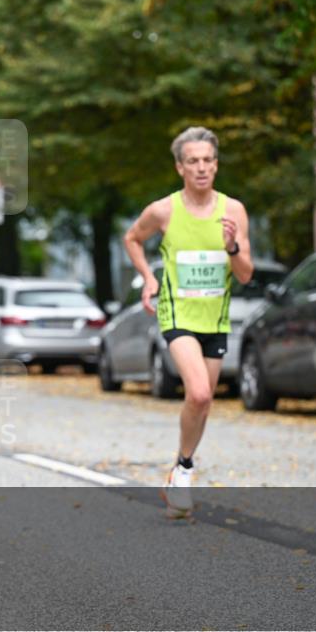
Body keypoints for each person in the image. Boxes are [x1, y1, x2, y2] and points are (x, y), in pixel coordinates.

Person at [122, 126, 253, 518]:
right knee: (198, 393)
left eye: (208, 160)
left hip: (215, 317)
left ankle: (180, 467)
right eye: (193, 161)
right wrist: (148, 276)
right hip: (176, 312)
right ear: (180, 167)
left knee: (205, 402)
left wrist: (231, 247)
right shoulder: (163, 210)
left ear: (216, 165)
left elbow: (245, 274)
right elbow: (132, 238)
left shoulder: (233, 211)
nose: (201, 168)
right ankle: (185, 472)